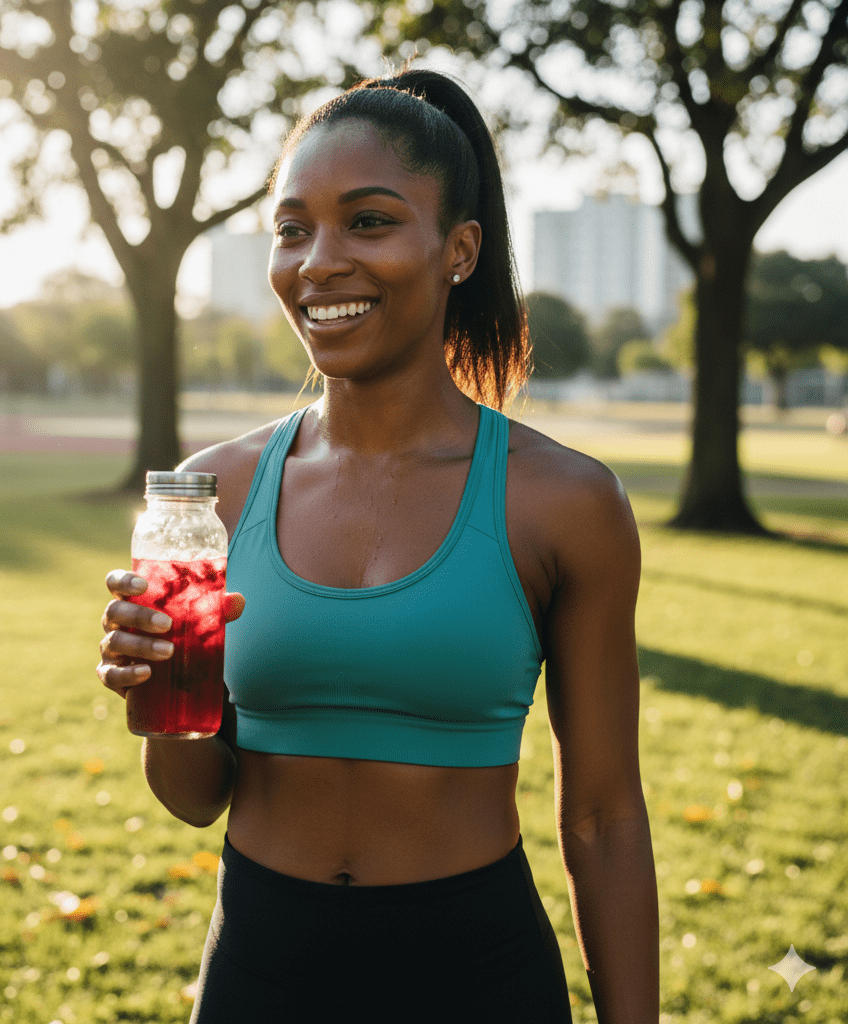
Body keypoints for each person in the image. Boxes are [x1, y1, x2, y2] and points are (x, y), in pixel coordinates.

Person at [98, 68, 658, 1023]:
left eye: (368, 222)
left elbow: (603, 819)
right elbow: (195, 797)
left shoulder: (564, 502)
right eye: (291, 228)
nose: (318, 262)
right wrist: (154, 688)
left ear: (459, 250)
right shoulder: (213, 492)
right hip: (259, 978)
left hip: (480, 980)